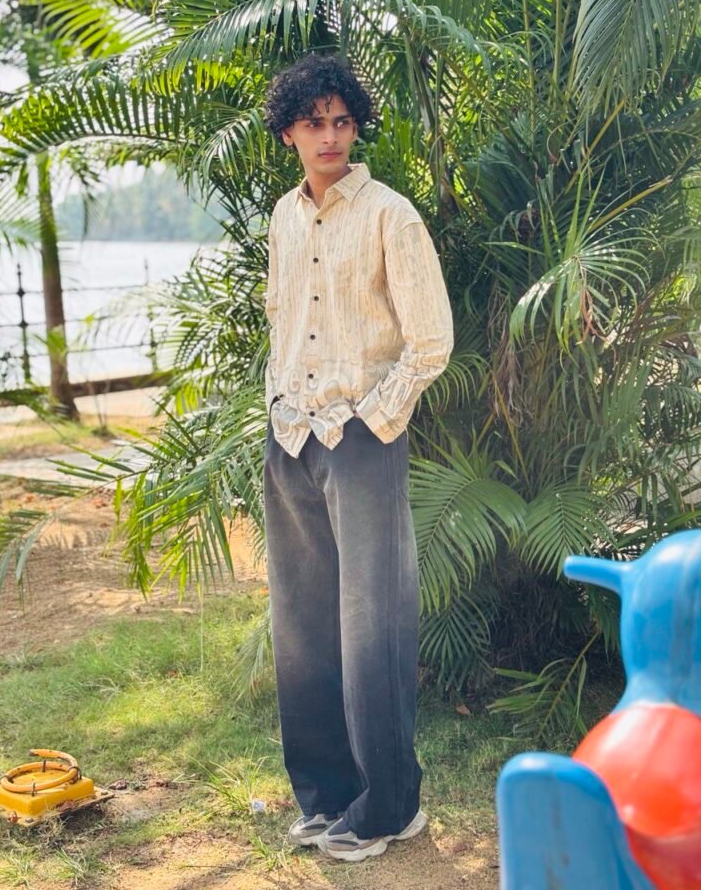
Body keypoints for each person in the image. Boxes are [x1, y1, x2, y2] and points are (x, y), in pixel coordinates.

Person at [261, 52, 454, 863]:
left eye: (343, 122)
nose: (331, 136)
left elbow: (431, 339)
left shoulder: (390, 215)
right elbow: (282, 318)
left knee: (372, 625)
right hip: (291, 439)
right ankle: (327, 795)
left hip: (362, 442)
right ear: (289, 134)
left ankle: (389, 806)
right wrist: (276, 407)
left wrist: (374, 419)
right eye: (315, 123)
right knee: (303, 626)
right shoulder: (283, 215)